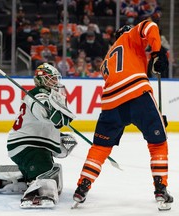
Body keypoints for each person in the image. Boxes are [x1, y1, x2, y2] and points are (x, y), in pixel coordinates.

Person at [72, 20, 173, 211]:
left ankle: (82, 186)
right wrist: (157, 52)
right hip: (136, 94)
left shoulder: (106, 60)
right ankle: (161, 189)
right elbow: (150, 26)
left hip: (111, 103)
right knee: (158, 143)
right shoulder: (130, 37)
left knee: (100, 147)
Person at [0, 63, 76, 208]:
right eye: (52, 79)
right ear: (42, 80)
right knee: (48, 177)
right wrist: (52, 116)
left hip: (31, 145)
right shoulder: (38, 93)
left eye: (56, 79)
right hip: (28, 146)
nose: (56, 82)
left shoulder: (48, 95)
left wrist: (57, 141)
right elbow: (41, 113)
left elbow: (48, 125)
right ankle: (35, 194)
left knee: (53, 173)